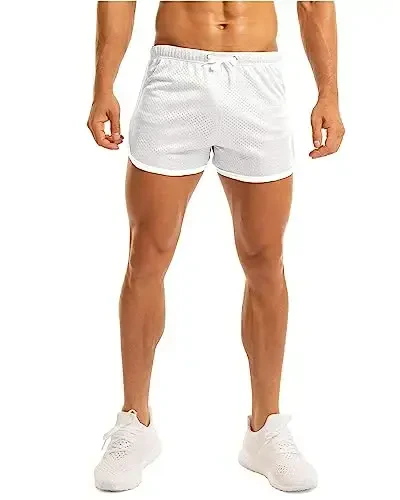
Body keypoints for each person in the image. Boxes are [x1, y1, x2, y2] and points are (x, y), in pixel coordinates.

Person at [87, 1, 344, 493]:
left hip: (256, 80)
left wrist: (328, 92)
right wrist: (103, 85)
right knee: (147, 255)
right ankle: (134, 423)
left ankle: (265, 428)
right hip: (175, 76)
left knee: (265, 259)